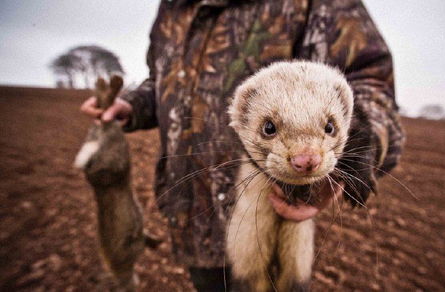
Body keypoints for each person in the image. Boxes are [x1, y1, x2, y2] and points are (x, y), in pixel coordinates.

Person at [81, 0, 404, 290]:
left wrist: (359, 148)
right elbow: (166, 80)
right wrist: (135, 105)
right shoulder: (174, 6)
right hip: (193, 211)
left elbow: (368, 83)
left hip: (273, 211)